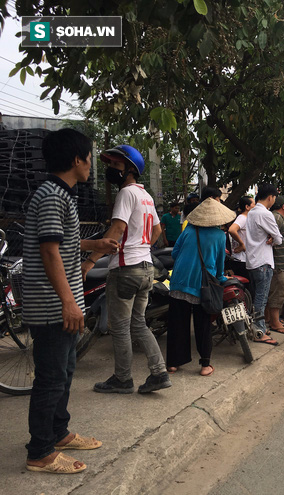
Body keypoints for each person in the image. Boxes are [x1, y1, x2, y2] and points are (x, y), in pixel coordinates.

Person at [23, 129, 118, 474]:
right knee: (50, 378)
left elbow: (60, 243)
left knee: (64, 372)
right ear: (77, 159)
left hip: (61, 302)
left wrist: (95, 246)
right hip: (52, 305)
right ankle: (40, 452)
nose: (91, 165)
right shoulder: (52, 196)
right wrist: (68, 301)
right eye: (90, 158)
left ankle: (58, 433)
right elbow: (48, 251)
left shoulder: (61, 194)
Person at [87, 144, 171, 394]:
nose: (111, 169)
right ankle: (159, 373)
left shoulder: (126, 194)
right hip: (146, 268)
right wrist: (142, 246)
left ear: (130, 170)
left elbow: (117, 230)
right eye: (110, 165)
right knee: (138, 325)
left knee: (121, 327)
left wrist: (90, 261)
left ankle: (123, 379)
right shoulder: (146, 196)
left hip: (125, 270)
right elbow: (156, 231)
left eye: (116, 165)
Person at [166, 198, 235, 376]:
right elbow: (219, 266)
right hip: (202, 284)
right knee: (203, 324)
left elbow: (174, 253)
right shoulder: (220, 236)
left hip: (179, 281)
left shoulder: (189, 229)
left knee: (177, 324)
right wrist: (221, 278)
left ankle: (173, 363)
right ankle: (205, 365)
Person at [245, 184, 282, 345]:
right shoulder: (265, 214)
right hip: (263, 262)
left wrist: (270, 237)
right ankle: (259, 331)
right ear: (270, 197)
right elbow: (279, 238)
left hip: (252, 261)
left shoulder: (251, 212)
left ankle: (257, 326)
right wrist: (273, 238)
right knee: (261, 299)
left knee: (256, 298)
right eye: (274, 198)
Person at [265, 196, 284, 334]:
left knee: (277, 292)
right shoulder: (276, 217)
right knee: (278, 293)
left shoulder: (278, 217)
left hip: (282, 263)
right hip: (279, 264)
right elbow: (269, 236)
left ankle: (271, 320)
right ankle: (275, 322)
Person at [226, 196, 255, 280]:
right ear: (247, 207)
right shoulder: (242, 218)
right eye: (254, 204)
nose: (256, 206)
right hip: (241, 260)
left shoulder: (247, 218)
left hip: (244, 259)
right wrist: (242, 244)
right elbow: (232, 230)